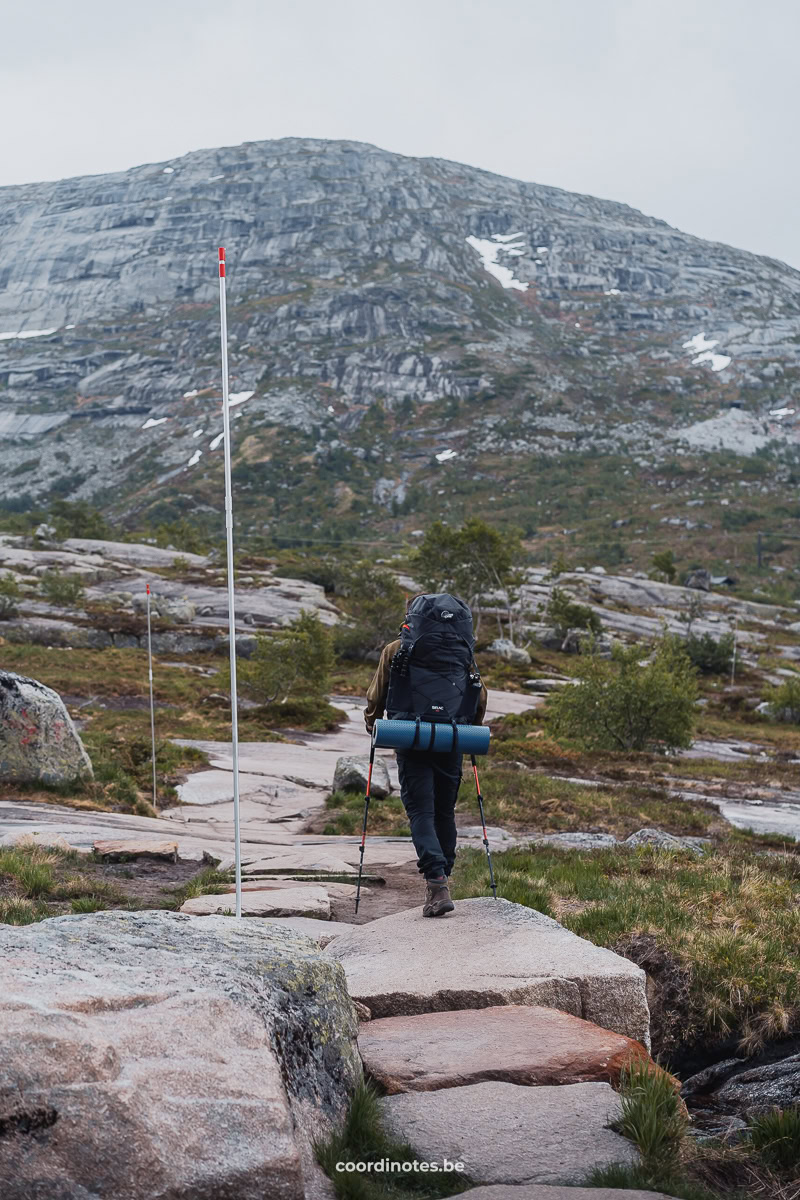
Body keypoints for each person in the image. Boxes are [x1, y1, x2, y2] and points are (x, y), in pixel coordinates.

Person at [364, 593, 487, 917]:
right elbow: (479, 693)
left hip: (411, 736)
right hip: (452, 738)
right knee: (445, 811)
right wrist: (470, 730)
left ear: (412, 619)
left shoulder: (396, 649)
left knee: (421, 811)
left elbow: (377, 694)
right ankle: (443, 873)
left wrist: (372, 725)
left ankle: (436, 881)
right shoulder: (461, 649)